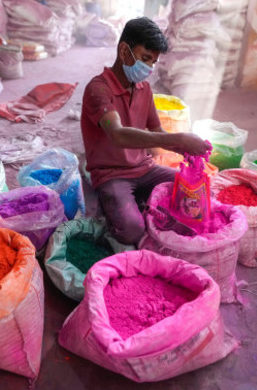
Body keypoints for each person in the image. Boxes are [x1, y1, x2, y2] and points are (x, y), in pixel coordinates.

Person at [81, 16, 210, 245]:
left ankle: (140, 201)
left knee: (192, 194)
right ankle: (124, 204)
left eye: (153, 62)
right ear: (124, 51)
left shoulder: (144, 88)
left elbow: (156, 130)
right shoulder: (98, 89)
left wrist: (184, 151)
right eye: (145, 58)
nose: (149, 68)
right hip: (112, 174)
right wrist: (179, 137)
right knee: (132, 229)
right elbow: (118, 134)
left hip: (144, 169)